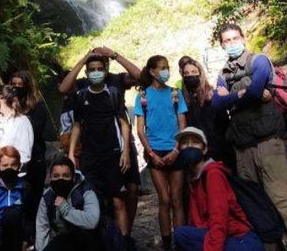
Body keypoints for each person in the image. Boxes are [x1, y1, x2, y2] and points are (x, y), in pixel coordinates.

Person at [212, 23, 287, 251]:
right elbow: (217, 104)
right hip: (242, 146)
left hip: (267, 142)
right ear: (221, 45)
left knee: (280, 199)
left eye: (235, 38)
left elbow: (256, 90)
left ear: (243, 38)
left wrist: (231, 96)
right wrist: (240, 94)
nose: (232, 44)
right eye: (226, 41)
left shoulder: (258, 60)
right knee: (255, 203)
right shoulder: (223, 73)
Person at [59, 46, 143, 240]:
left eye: (100, 68)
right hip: (91, 150)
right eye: (92, 69)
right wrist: (83, 59)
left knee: (128, 191)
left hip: (117, 146)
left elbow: (139, 77)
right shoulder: (82, 88)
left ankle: (125, 239)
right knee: (95, 196)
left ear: (105, 67)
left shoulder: (115, 81)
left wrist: (114, 54)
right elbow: (64, 90)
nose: (96, 72)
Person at [172, 127, 263, 251]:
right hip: (224, 238)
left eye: (195, 142)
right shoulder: (193, 178)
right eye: (185, 143)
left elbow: (219, 219)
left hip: (240, 240)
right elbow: (196, 221)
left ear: (204, 149)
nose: (189, 146)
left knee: (182, 235)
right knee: (182, 235)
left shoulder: (213, 174)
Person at [135, 55, 188, 250]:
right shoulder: (143, 96)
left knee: (177, 199)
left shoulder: (175, 93)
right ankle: (167, 243)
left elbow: (183, 125)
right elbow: (140, 129)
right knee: (164, 199)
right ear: (152, 71)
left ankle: (182, 241)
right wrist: (151, 154)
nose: (166, 71)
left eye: (167, 67)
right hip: (155, 150)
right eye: (162, 68)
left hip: (175, 149)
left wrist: (176, 149)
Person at [36, 156, 102, 251]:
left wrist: (65, 209)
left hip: (88, 240)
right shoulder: (47, 197)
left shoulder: (86, 191)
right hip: (62, 240)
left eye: (66, 176)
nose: (61, 179)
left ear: (73, 177)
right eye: (56, 176)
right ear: (50, 177)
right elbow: (42, 226)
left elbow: (92, 221)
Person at [9, 70, 49, 221]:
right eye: (14, 85)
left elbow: (35, 132)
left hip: (34, 160)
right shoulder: (8, 106)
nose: (17, 88)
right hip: (13, 160)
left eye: (21, 85)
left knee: (33, 201)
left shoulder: (37, 108)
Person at [178, 57, 231, 167]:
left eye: (193, 72)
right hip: (197, 154)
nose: (190, 75)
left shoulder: (213, 96)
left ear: (200, 73)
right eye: (186, 73)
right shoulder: (183, 100)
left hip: (219, 152)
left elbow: (224, 125)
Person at [0, 85, 34, 179]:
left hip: (10, 180)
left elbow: (25, 154)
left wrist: (9, 172)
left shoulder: (22, 122)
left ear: (1, 99)